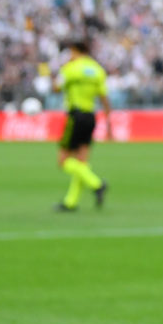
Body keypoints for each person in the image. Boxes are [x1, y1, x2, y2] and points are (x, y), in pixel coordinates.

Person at [52, 40, 111, 212]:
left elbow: (56, 88)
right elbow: (103, 96)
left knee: (63, 161)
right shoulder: (97, 70)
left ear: (75, 51)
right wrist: (108, 116)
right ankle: (71, 202)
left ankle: (97, 184)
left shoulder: (71, 68)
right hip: (91, 116)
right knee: (82, 161)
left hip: (75, 115)